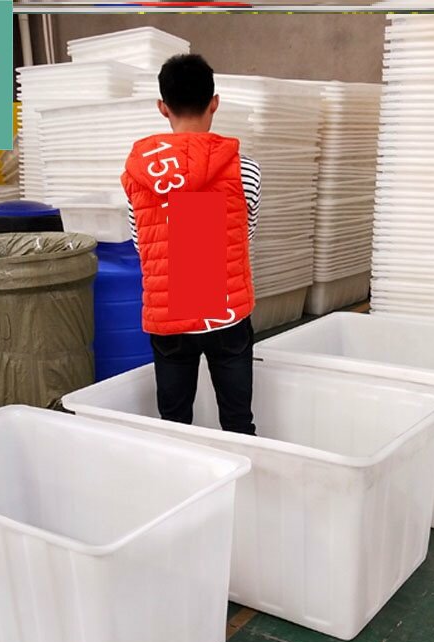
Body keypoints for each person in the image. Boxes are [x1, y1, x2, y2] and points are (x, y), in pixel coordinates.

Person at [121, 54, 260, 436]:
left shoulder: (138, 174)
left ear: (162, 107)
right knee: (237, 421)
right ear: (214, 102)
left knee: (175, 425)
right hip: (226, 311)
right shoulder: (244, 169)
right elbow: (244, 235)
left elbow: (141, 243)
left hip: (170, 315)